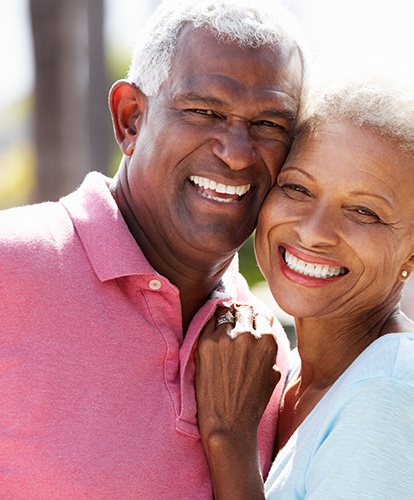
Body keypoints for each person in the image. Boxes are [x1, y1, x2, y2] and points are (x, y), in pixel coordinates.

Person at [0, 0, 306, 497]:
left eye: (270, 124)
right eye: (205, 111)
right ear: (131, 120)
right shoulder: (9, 268)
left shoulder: (267, 348)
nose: (237, 151)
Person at [195, 62, 414, 499]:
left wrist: (230, 441)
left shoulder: (388, 396)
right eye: (297, 188)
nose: (314, 231)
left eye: (363, 212)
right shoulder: (307, 372)